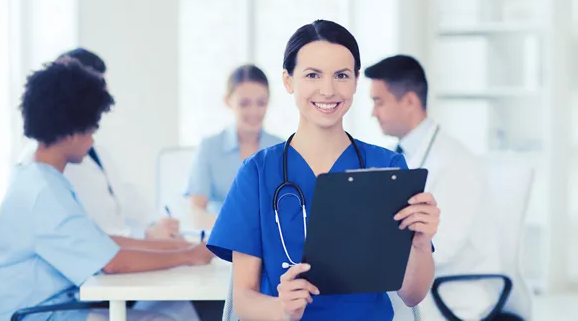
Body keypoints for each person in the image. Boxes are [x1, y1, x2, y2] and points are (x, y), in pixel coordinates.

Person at [206, 20, 440, 321]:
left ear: (356, 82)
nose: (328, 90)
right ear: (289, 81)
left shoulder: (388, 168)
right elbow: (244, 299)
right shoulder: (258, 172)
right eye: (313, 75)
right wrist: (284, 309)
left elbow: (412, 294)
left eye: (341, 75)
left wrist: (420, 243)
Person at [0, 60, 214, 321]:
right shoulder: (44, 193)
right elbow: (112, 262)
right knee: (166, 319)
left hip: (55, 305)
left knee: (178, 310)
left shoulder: (40, 179)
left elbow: (101, 242)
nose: (93, 139)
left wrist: (173, 247)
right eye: (92, 127)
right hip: (39, 313)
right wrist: (188, 255)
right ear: (70, 130)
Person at [364, 54, 500, 320]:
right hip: (418, 283)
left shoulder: (455, 162)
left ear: (410, 101)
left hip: (454, 291)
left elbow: (443, 247)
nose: (373, 112)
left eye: (378, 102)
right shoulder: (396, 156)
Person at [18, 48, 179, 239]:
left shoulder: (96, 151)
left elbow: (124, 199)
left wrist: (158, 223)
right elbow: (90, 244)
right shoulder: (40, 171)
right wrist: (149, 237)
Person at [185, 64, 282, 216]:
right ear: (228, 101)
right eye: (245, 104)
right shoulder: (209, 148)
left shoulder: (282, 149)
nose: (254, 111)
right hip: (221, 237)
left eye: (261, 103)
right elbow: (197, 211)